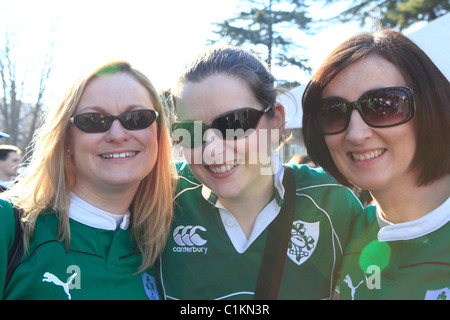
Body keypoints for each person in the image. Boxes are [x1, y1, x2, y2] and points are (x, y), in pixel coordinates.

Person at [159, 46, 363, 300]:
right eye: (191, 130)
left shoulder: (332, 202)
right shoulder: (161, 196)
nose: (211, 149)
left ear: (275, 121)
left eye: (233, 123)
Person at [0, 61, 176, 299]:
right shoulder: (9, 224)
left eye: (137, 118)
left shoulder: (171, 241)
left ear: (158, 133)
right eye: (94, 121)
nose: (117, 135)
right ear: (67, 140)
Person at [302, 29, 450, 300]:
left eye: (385, 105)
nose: (356, 134)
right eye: (334, 112)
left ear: (432, 105)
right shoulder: (344, 234)